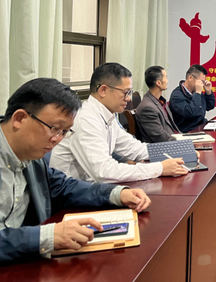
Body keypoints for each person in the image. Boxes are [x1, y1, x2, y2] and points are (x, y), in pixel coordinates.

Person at [0, 78, 151, 263]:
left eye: (64, 132)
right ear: (19, 119)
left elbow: (64, 186)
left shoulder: (32, 155)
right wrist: (46, 236)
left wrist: (117, 194)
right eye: (54, 128)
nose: (57, 139)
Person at [50, 63, 189, 183]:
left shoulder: (107, 115)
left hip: (94, 188)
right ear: (103, 90)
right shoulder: (86, 119)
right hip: (73, 196)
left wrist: (181, 150)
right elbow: (103, 172)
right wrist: (159, 168)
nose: (129, 99)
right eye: (126, 92)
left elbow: (134, 148)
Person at [136, 66, 181, 143]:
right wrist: (185, 142)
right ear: (158, 83)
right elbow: (160, 138)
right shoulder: (147, 108)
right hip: (163, 147)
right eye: (166, 77)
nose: (167, 81)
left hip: (173, 142)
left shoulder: (160, 101)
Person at [169, 64, 215, 132]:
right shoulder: (177, 95)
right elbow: (191, 113)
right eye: (201, 82)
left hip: (201, 126)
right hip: (189, 131)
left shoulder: (195, 92)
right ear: (190, 78)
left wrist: (208, 92)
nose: (202, 85)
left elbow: (210, 106)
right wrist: (197, 93)